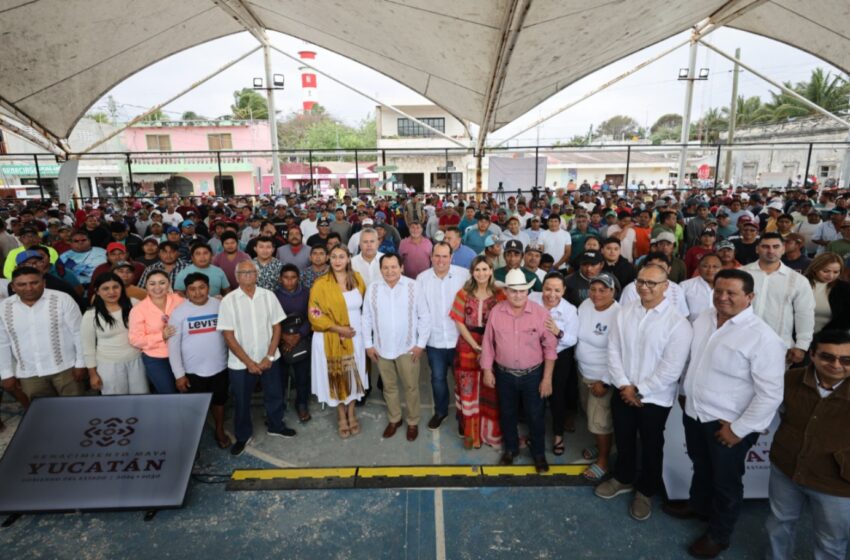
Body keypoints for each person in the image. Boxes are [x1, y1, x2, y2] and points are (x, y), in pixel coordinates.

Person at [666, 269, 785, 558]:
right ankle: (698, 506)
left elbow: (770, 394)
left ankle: (719, 535)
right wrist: (684, 392)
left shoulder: (762, 337)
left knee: (726, 482)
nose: (722, 297)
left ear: (750, 297)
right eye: (718, 291)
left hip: (728, 424)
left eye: (731, 293)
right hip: (695, 413)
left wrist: (739, 430)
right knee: (701, 465)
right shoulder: (705, 317)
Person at [596, 264, 692, 521]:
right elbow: (613, 350)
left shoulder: (677, 323)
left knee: (651, 445)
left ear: (666, 286)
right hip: (623, 390)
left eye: (652, 283)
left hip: (654, 399)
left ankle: (646, 491)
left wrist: (639, 391)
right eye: (641, 281)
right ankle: (623, 478)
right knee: (624, 439)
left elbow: (671, 369)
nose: (645, 287)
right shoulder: (625, 312)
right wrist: (624, 385)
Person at [765, 329, 850, 560]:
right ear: (811, 355)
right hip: (786, 468)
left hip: (837, 483)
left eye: (846, 360)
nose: (836, 364)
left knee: (831, 541)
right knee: (779, 526)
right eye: (827, 357)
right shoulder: (790, 380)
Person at [480, 268, 558, 473]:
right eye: (513, 291)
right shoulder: (496, 312)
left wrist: (547, 379)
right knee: (507, 414)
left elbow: (550, 348)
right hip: (504, 374)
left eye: (522, 291)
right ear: (505, 291)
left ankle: (539, 453)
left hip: (533, 375)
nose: (518, 295)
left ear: (528, 292)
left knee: (535, 415)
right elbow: (488, 343)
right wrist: (487, 370)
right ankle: (511, 449)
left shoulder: (541, 314)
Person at [218, 260, 293, 456]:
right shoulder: (228, 301)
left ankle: (276, 425)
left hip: (269, 358)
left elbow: (277, 327)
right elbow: (228, 335)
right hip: (241, 363)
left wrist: (269, 356)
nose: (248, 275)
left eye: (251, 272)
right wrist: (249, 363)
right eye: (243, 273)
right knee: (241, 400)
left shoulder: (268, 296)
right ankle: (243, 436)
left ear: (257, 275)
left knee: (274, 394)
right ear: (236, 276)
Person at [362, 253, 430, 441]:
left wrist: (420, 345)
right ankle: (395, 419)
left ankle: (413, 421)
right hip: (382, 348)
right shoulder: (373, 288)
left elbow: (424, 316)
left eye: (394, 267)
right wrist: (368, 345)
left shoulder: (414, 287)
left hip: (407, 348)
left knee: (411, 387)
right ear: (380, 269)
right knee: (389, 387)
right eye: (385, 267)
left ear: (401, 267)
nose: (390, 271)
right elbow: (366, 318)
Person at [308, 245, 368, 439]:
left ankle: (352, 412)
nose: (337, 260)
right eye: (333, 256)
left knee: (353, 375)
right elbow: (314, 313)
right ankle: (341, 415)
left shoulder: (357, 279)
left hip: (355, 337)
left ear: (348, 259)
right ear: (328, 259)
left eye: (341, 256)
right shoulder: (321, 283)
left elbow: (366, 306)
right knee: (337, 376)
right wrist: (338, 328)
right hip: (330, 337)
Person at [0, 266, 85, 399]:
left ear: (43, 283)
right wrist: (6, 373)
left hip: (66, 368)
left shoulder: (62, 299)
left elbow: (79, 333)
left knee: (75, 409)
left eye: (34, 282)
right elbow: (2, 343)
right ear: (13, 287)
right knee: (42, 412)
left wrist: (81, 364)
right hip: (29, 373)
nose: (29, 288)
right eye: (22, 284)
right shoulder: (4, 307)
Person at [168, 272, 231, 450]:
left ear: (208, 288)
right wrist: (179, 374)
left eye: (201, 287)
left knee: (219, 402)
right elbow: (173, 346)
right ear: (186, 291)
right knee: (194, 407)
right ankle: (194, 438)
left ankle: (219, 429)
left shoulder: (219, 305)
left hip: (220, 367)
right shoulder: (179, 313)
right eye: (192, 289)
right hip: (192, 371)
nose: (198, 293)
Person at [449, 255, 506, 449]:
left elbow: (505, 322)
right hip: (467, 345)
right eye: (477, 270)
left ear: (491, 271)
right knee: (468, 389)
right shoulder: (464, 293)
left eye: (485, 269)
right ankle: (472, 435)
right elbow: (458, 320)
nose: (481, 273)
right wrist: (475, 345)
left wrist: (489, 346)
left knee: (490, 389)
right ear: (472, 272)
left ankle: (489, 434)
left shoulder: (500, 294)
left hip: (494, 345)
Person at [416, 241, 470, 430]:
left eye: (444, 256)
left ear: (451, 257)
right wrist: (420, 341)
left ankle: (464, 416)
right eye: (437, 256)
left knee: (462, 380)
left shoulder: (464, 276)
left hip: (459, 339)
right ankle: (441, 412)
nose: (440, 260)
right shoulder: (421, 279)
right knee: (437, 379)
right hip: (434, 341)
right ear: (431, 257)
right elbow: (419, 312)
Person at [742, 233, 815, 365]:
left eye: (776, 246)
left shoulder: (798, 280)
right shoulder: (741, 274)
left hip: (779, 346)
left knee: (772, 385)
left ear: (783, 248)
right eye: (765, 246)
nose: (771, 251)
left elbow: (805, 313)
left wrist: (801, 345)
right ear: (757, 248)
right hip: (741, 342)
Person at [575, 272, 620, 482]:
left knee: (600, 421)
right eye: (593, 289)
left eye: (603, 290)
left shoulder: (618, 314)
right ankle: (602, 446)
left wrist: (605, 381)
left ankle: (603, 461)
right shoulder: (585, 305)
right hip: (583, 371)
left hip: (601, 378)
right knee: (591, 417)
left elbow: (620, 353)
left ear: (613, 291)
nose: (596, 294)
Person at [529, 272, 578, 456]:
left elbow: (573, 339)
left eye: (557, 290)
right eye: (548, 289)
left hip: (559, 356)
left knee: (557, 396)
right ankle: (536, 434)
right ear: (542, 288)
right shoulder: (532, 299)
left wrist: (558, 332)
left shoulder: (570, 310)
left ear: (564, 290)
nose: (551, 294)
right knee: (534, 396)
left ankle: (558, 435)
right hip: (534, 354)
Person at [82, 272, 147, 395]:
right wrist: (93, 374)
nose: (111, 292)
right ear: (97, 291)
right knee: (116, 405)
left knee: (141, 400)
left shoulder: (134, 304)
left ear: (122, 288)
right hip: (108, 366)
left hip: (137, 362)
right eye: (105, 288)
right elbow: (88, 348)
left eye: (115, 287)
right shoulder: (91, 315)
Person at [128, 270, 184, 394]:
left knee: (186, 390)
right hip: (157, 358)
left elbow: (197, 304)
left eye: (162, 283)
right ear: (146, 286)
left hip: (182, 354)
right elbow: (135, 339)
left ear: (169, 284)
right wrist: (161, 336)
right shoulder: (138, 309)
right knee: (169, 393)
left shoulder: (179, 300)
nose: (157, 287)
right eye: (152, 284)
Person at [274, 264, 313, 423]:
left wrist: (299, 335)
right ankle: (278, 406)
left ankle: (302, 404)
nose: (289, 281)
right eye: (286, 278)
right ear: (280, 279)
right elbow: (269, 319)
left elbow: (313, 316)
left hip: (301, 338)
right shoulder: (273, 295)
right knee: (279, 377)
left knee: (302, 376)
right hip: (279, 340)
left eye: (293, 278)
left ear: (299, 278)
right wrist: (283, 336)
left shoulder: (307, 293)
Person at [804, 252, 850, 334]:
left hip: (831, 338)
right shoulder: (799, 283)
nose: (831, 276)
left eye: (836, 272)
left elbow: (845, 319)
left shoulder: (844, 288)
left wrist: (823, 336)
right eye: (825, 271)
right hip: (796, 337)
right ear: (815, 268)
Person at [680, 253, 721, 322]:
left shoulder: (729, 287)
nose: (710, 270)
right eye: (705, 266)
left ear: (721, 268)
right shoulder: (685, 286)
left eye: (715, 266)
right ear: (698, 267)